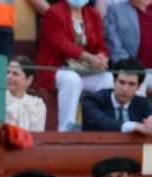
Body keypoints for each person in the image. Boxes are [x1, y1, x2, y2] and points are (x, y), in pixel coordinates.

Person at [34, 0, 113, 132]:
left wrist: (101, 58)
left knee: (107, 79)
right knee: (72, 80)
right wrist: (89, 58)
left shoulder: (93, 15)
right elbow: (61, 44)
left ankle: (104, 126)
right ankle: (66, 129)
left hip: (86, 69)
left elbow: (101, 46)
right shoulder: (54, 13)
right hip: (56, 68)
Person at [81, 58, 152, 134]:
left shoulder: (141, 103)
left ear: (139, 87)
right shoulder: (93, 100)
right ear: (114, 81)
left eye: (131, 84)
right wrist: (135, 126)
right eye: (122, 82)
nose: (125, 89)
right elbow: (102, 123)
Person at [0, 54, 47, 130]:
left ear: (29, 79)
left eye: (15, 74)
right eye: (8, 72)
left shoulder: (37, 105)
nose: (9, 77)